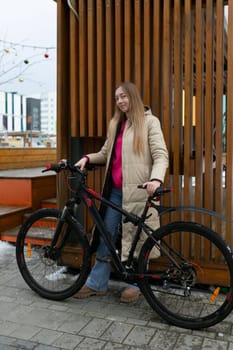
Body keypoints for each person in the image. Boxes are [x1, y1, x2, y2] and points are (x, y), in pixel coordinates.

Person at [74, 82, 169, 303]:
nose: (120, 101)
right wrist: (88, 158)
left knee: (136, 239)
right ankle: (97, 284)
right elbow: (105, 153)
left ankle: (134, 284)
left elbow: (160, 154)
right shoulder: (117, 124)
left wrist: (156, 178)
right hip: (115, 193)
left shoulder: (149, 122)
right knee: (106, 235)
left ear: (133, 97)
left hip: (138, 192)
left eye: (124, 96)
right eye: (117, 98)